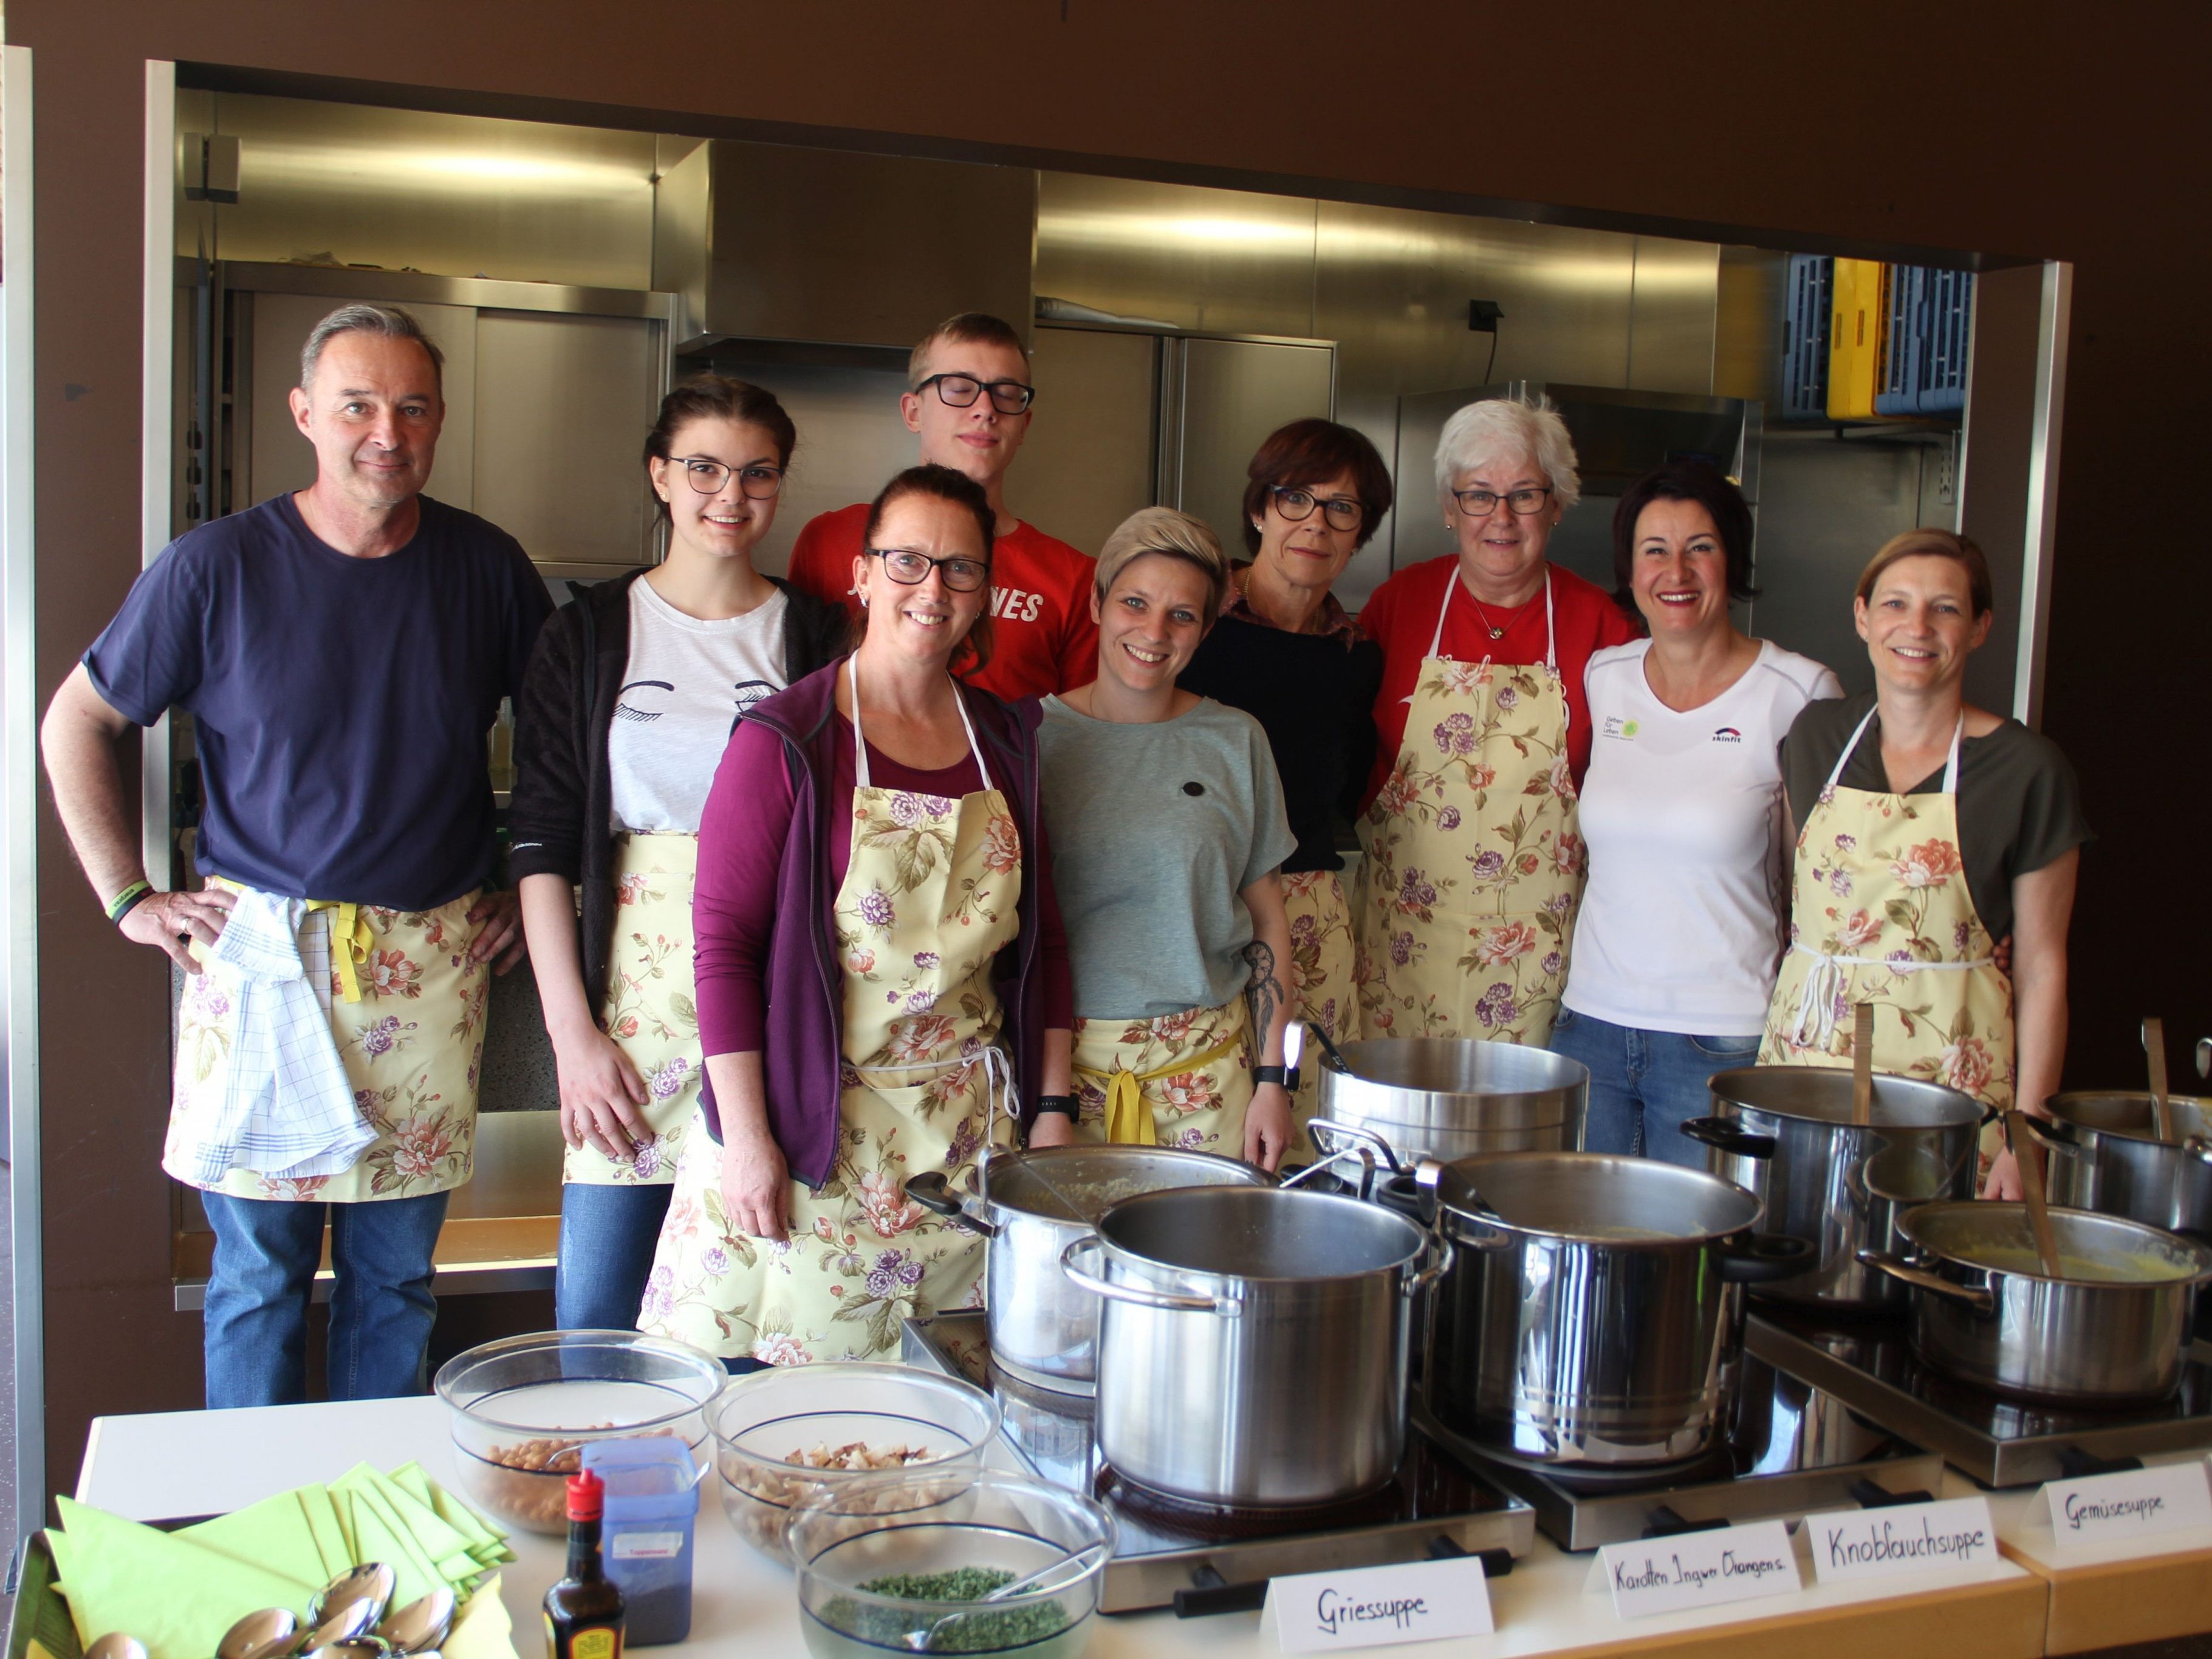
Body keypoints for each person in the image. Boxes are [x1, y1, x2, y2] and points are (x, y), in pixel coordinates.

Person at [40, 303, 549, 1406]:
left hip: (428, 969)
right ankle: (258, 1527)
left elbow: (565, 741)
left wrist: (530, 885)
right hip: (267, 961)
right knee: (258, 1276)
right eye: (358, 403)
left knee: (397, 1279)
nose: (386, 430)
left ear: (441, 418)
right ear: (304, 412)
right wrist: (128, 894)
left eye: (412, 406)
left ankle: (373, 1528)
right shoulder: (213, 567)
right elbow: (75, 720)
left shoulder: (488, 568)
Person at [638, 463, 1076, 1366]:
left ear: (985, 589)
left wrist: (1054, 1111)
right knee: (808, 1424)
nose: (933, 587)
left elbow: (1047, 939)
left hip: (967, 1144)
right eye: (907, 560)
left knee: (945, 1412)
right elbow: (724, 948)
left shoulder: (1010, 739)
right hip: (818, 1130)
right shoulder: (789, 740)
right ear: (863, 574)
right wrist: (749, 1138)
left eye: (960, 568)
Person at [509, 375, 846, 1332]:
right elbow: (541, 838)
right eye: (702, 467)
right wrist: (572, 1040)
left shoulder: (818, 636)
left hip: (776, 995)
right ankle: (602, 1489)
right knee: (600, 1317)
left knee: (758, 1308)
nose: (728, 495)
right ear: (660, 474)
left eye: (756, 473)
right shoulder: (584, 635)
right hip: (632, 1007)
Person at [1758, 530, 2089, 1199]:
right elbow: (1800, 904)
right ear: (1861, 616)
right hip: (1804, 1068)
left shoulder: (2026, 769)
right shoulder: (1813, 737)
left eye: (1944, 608)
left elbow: (2041, 966)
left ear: (1978, 627)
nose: (1916, 627)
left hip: (1950, 1089)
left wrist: (2028, 1135)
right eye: (1894, 604)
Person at [1553, 462, 1841, 1164]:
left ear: (1731, 558)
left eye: (1699, 547)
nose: (1674, 570)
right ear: (1629, 566)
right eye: (1654, 549)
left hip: (1722, 1036)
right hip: (1589, 1024)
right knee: (1586, 1250)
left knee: (1704, 1255)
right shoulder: (1603, 677)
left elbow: (1829, 881)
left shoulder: (1799, 692)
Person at [1354, 395, 1637, 1045]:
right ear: (1450, 510)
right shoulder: (1399, 605)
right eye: (1478, 495)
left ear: (1557, 504)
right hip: (1401, 954)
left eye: (1524, 495)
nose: (1500, 517)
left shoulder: (1602, 626)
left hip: (1541, 967)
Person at [1042, 508, 1299, 1170]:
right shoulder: (1031, 739)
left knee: (1204, 1269)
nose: (1153, 632)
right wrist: (1049, 1105)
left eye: (1182, 616)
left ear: (1206, 630)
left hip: (1209, 1078)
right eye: (1133, 602)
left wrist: (1274, 1080)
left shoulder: (1236, 740)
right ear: (1097, 603)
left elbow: (1267, 919)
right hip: (1062, 1084)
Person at [1178, 419, 1388, 1133]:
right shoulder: (1192, 624)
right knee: (1201, 1128)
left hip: (1307, 916)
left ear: (1361, 532)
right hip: (1193, 909)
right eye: (1294, 497)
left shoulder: (1358, 661)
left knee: (1302, 1133)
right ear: (1259, 508)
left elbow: (1347, 788)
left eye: (1342, 508)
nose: (1314, 524)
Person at [784, 312, 1098, 701]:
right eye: (960, 388)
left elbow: (1082, 734)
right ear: (913, 412)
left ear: (1024, 425)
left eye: (1005, 393)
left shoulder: (1074, 579)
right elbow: (798, 689)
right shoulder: (828, 540)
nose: (986, 409)